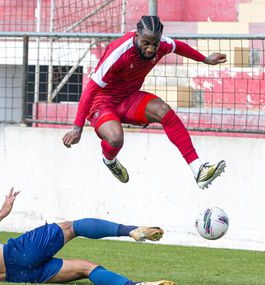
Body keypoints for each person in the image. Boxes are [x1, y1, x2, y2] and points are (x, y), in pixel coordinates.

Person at [62, 15, 227, 189]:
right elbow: (90, 90)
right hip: (102, 102)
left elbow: (178, 46)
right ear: (137, 35)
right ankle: (109, 160)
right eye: (146, 43)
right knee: (116, 138)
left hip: (129, 98)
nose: (150, 48)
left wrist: (205, 59)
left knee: (163, 110)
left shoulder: (161, 44)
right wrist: (77, 128)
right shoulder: (119, 52)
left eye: (154, 44)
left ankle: (198, 169)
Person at [0, 188, 176, 285]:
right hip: (16, 254)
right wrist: (2, 213)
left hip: (19, 277)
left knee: (86, 269)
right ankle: (131, 230)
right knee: (72, 227)